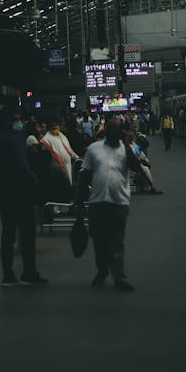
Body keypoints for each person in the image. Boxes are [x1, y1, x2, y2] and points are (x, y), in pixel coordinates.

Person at [76, 117, 144, 291]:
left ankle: (119, 277)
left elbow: (137, 169)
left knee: (117, 241)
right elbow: (85, 175)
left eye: (117, 129)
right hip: (97, 201)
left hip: (119, 201)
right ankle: (102, 270)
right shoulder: (93, 149)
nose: (113, 132)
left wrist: (127, 146)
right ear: (105, 130)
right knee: (99, 240)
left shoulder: (127, 149)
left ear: (121, 131)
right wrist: (79, 202)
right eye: (110, 129)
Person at [0, 112, 48, 287]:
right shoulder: (15, 138)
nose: (20, 123)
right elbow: (22, 164)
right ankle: (29, 273)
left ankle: (7, 276)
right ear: (10, 122)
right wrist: (34, 179)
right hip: (20, 193)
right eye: (17, 119)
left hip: (4, 191)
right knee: (27, 233)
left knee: (8, 235)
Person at [41, 118, 79, 184]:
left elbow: (68, 149)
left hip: (68, 164)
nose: (55, 127)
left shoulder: (62, 135)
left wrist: (76, 157)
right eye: (53, 126)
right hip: (56, 166)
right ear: (49, 127)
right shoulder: (46, 139)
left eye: (56, 125)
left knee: (69, 183)